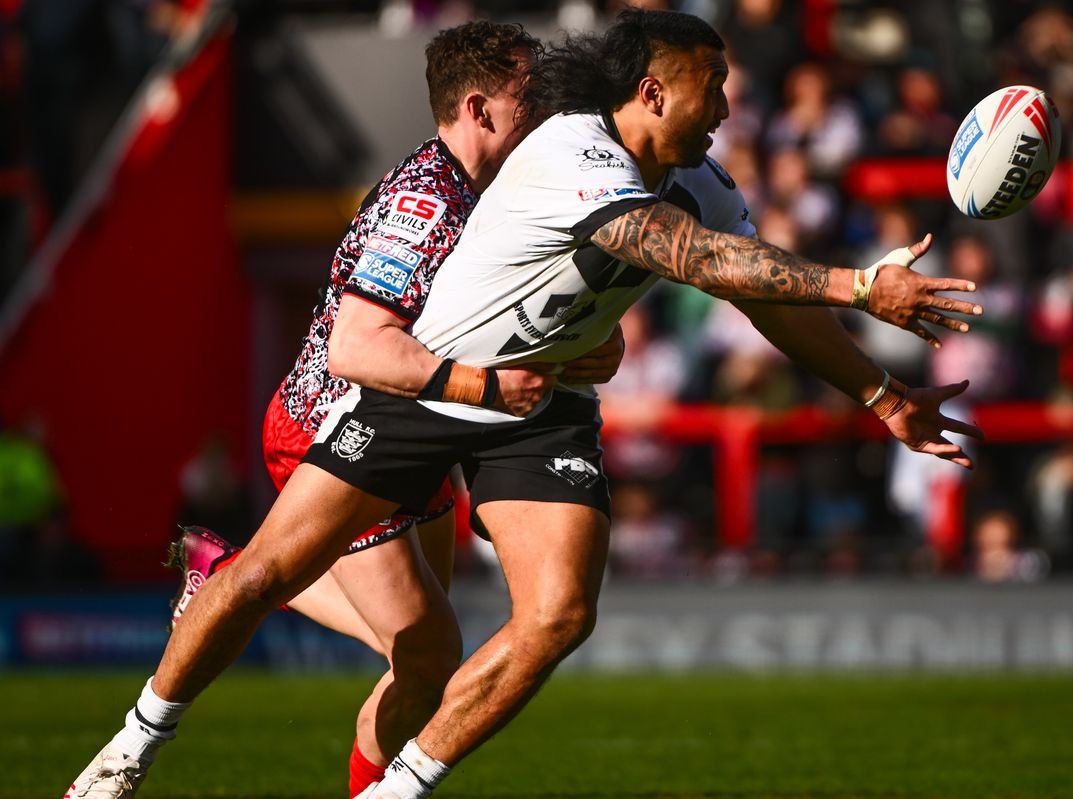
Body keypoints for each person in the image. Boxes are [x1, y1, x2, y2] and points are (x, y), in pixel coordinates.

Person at [67, 10, 984, 799]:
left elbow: (760, 294)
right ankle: (130, 747)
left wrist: (881, 392)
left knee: (551, 616)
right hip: (428, 386)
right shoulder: (568, 151)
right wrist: (861, 284)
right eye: (715, 85)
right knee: (276, 575)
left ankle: (398, 789)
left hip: (537, 397)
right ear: (654, 93)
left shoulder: (701, 180)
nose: (728, 107)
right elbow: (687, 256)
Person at [65, 19, 623, 799]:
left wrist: (587, 342)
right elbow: (356, 352)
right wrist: (496, 389)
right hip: (336, 422)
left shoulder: (504, 197)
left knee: (421, 667)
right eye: (530, 97)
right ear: (479, 109)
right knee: (429, 651)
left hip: (419, 425)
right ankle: (207, 625)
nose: (552, 114)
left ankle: (233, 575)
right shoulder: (426, 202)